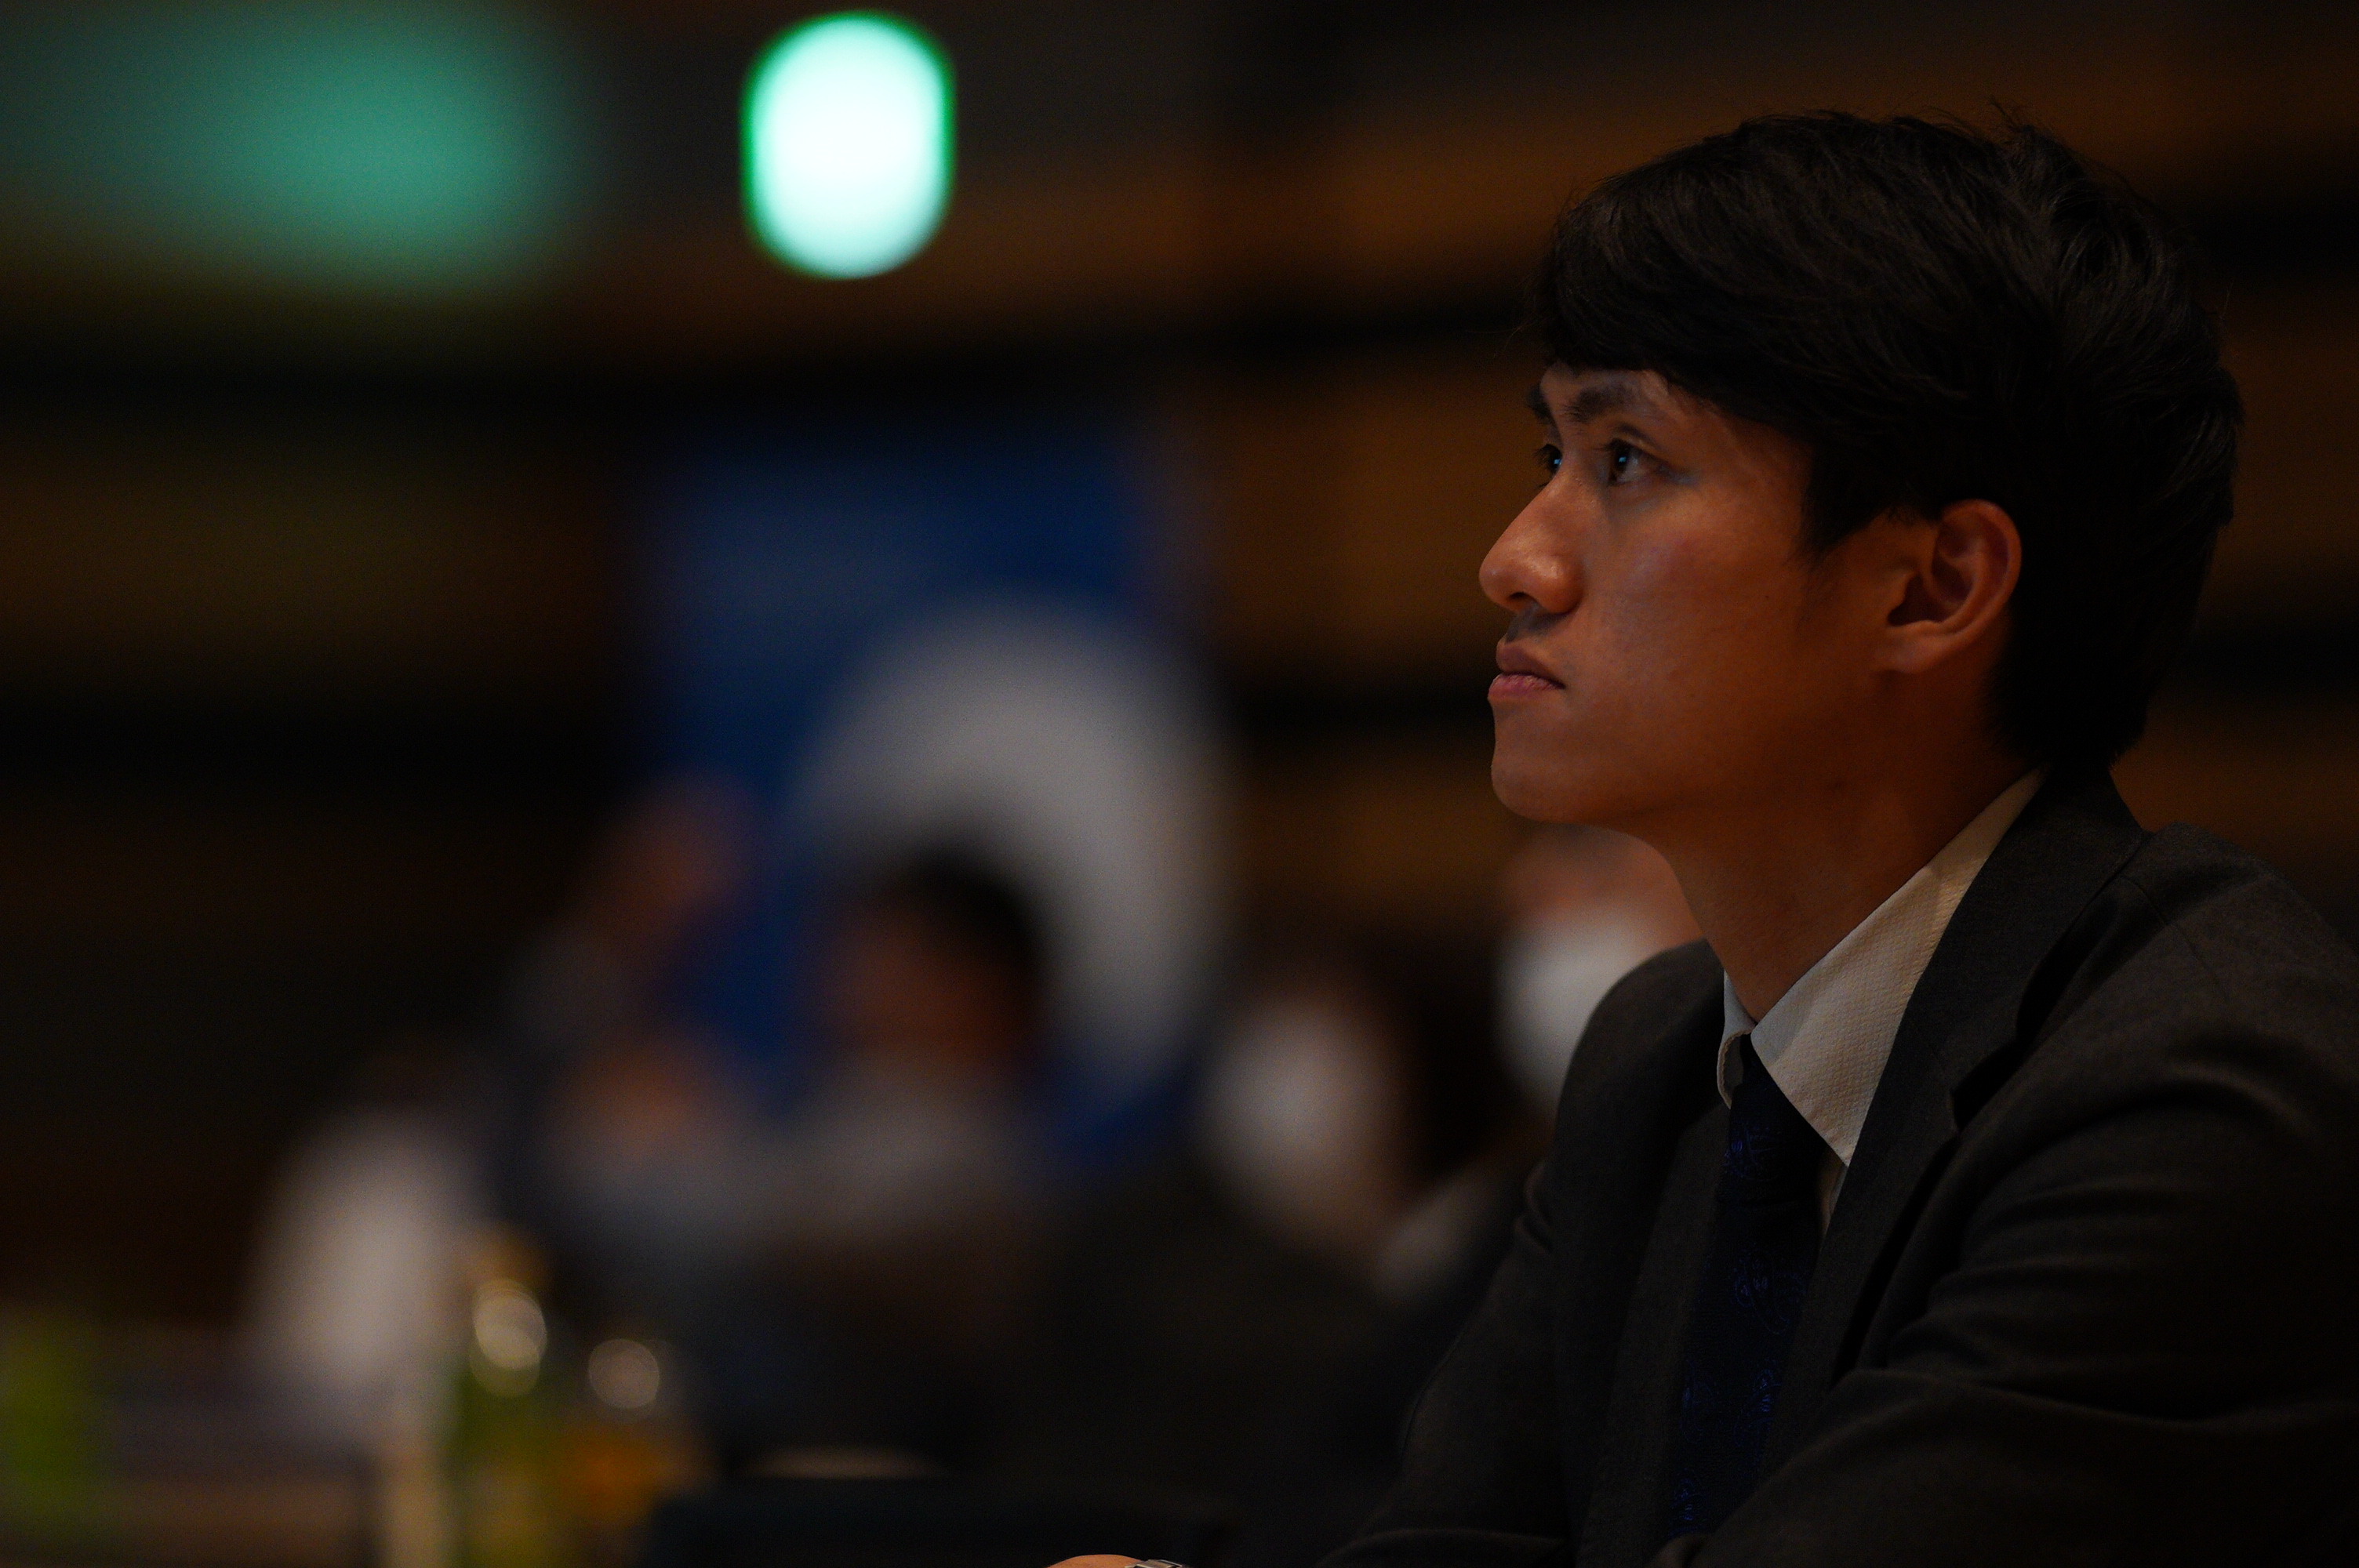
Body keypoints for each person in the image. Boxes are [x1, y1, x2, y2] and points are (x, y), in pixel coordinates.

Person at [1053, 111, 2359, 1568]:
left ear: (1932, 588)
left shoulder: (2202, 1083)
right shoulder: (1657, 1058)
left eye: (1627, 459)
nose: (1513, 558)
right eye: (1552, 449)